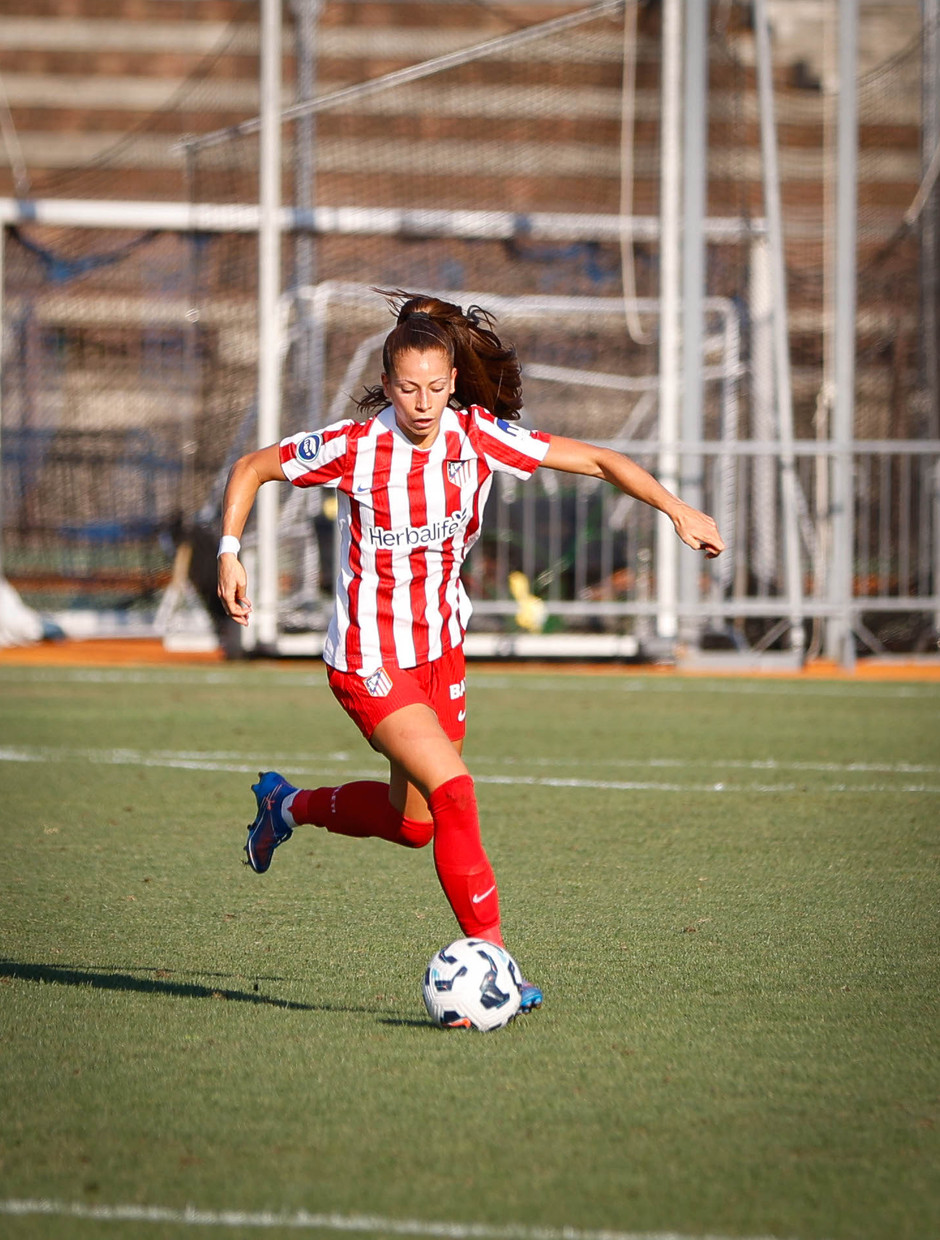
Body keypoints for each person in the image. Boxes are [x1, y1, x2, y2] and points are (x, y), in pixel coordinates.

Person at [217, 289, 725, 1015]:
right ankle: (500, 969)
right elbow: (251, 468)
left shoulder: (478, 437)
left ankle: (286, 806)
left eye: (435, 386)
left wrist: (676, 509)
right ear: (387, 384)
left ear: (453, 380)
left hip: (441, 656)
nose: (422, 403)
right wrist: (230, 552)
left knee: (415, 824)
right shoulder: (355, 447)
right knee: (455, 790)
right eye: (407, 388)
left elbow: (598, 460)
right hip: (369, 659)